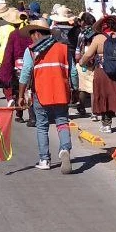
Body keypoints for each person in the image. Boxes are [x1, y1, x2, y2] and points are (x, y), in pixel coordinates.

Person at [18, 19, 76, 173]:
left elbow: (25, 73)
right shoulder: (64, 48)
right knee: (62, 122)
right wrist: (75, 88)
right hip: (61, 92)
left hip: (41, 94)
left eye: (32, 34)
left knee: (42, 126)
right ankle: (65, 150)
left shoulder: (31, 51)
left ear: (37, 33)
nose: (31, 38)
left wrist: (21, 95)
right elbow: (73, 72)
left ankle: (44, 159)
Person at [81, 15, 116, 133]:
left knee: (104, 95)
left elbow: (88, 54)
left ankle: (106, 124)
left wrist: (81, 62)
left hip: (102, 72)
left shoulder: (98, 38)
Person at [0, 7, 30, 123]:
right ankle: (32, 116)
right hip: (28, 62)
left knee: (16, 89)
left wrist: (5, 68)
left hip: (16, 64)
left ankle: (19, 113)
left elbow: (9, 52)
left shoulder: (14, 35)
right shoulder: (29, 34)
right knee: (29, 88)